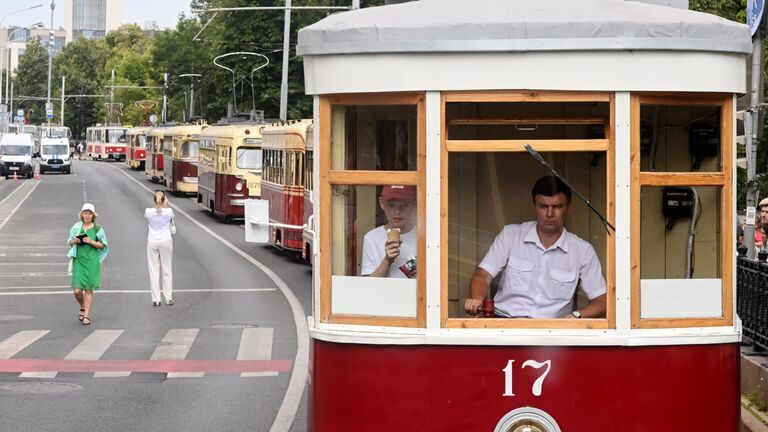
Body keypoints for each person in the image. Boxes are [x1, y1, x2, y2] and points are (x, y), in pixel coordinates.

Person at [463, 176, 607, 319]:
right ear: (534, 207)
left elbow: (602, 301)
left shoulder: (583, 250)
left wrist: (575, 316)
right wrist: (477, 299)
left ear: (569, 208)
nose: (550, 214)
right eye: (543, 206)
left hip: (552, 334)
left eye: (557, 206)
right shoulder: (510, 235)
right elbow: (482, 275)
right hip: (505, 326)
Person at [361, 185, 417, 278]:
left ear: (414, 204)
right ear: (382, 203)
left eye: (404, 205)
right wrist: (387, 260)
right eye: (391, 205)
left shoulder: (424, 236)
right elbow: (369, 285)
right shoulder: (372, 238)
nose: (397, 211)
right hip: (382, 293)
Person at [67, 203, 108, 325]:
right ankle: (82, 305)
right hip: (79, 260)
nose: (87, 215)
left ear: (93, 216)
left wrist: (91, 241)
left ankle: (86, 315)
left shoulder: (97, 229)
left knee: (89, 290)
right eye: (85, 213)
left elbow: (103, 245)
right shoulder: (76, 227)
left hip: (92, 261)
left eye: (89, 213)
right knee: (77, 291)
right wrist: (74, 241)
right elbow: (69, 242)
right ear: (81, 214)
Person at [145, 190, 175, 306]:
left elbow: (153, 212)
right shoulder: (169, 211)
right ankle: (168, 297)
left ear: (154, 199)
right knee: (167, 270)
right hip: (166, 241)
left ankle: (156, 299)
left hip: (152, 241)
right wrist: (166, 205)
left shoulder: (148, 212)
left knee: (154, 271)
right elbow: (171, 222)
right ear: (164, 199)